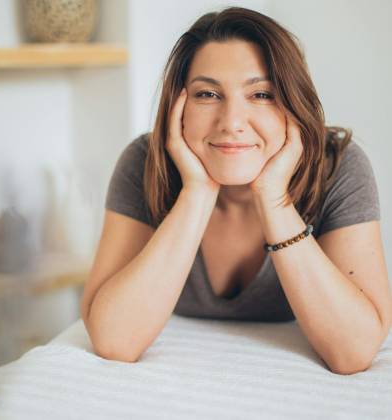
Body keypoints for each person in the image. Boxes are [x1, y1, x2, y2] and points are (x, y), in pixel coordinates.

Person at [80, 7, 392, 374]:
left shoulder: (338, 167)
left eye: (261, 95)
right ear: (178, 106)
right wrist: (197, 191)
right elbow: (114, 340)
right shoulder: (143, 162)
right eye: (208, 94)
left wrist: (274, 198)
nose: (231, 123)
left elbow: (352, 352)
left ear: (294, 105)